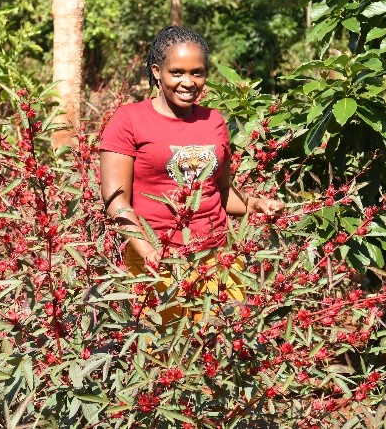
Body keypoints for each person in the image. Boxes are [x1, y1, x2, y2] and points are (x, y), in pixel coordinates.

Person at [99, 26, 283, 323]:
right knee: (163, 359)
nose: (188, 82)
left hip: (217, 261)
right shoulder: (129, 120)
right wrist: (148, 252)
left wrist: (254, 204)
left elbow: (220, 192)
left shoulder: (214, 121)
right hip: (155, 261)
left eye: (197, 73)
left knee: (221, 353)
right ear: (157, 72)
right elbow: (115, 200)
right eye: (177, 72)